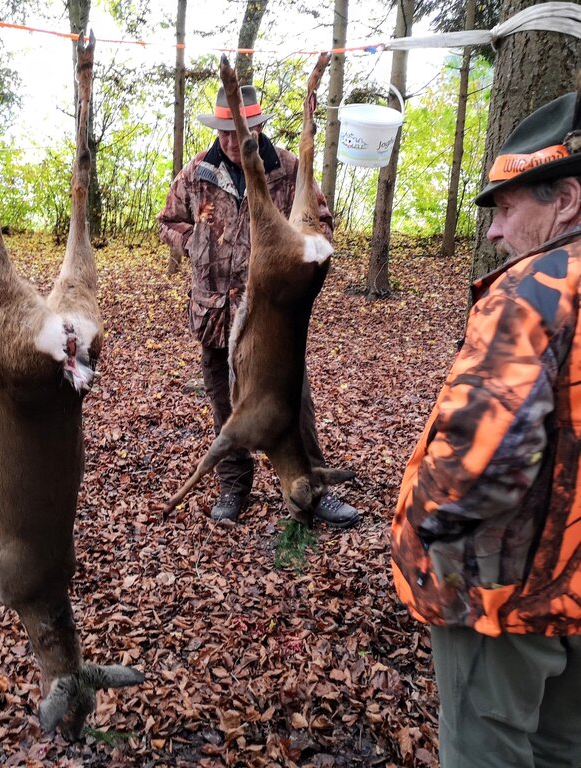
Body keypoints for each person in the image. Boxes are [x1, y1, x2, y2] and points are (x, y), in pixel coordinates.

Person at [391, 90, 581, 768]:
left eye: (506, 207)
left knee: (487, 749)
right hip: (573, 585)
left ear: (566, 199)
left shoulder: (535, 288)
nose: (496, 231)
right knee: (563, 747)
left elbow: (486, 457)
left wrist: (428, 535)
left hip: (505, 597)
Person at [158, 84, 359, 527]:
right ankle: (234, 487)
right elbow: (167, 221)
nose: (230, 140)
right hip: (216, 315)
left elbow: (321, 219)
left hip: (272, 320)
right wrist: (193, 243)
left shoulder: (287, 169)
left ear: (257, 126)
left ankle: (312, 487)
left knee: (294, 404)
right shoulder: (197, 173)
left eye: (238, 131)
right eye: (224, 132)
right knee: (225, 407)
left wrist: (311, 251)